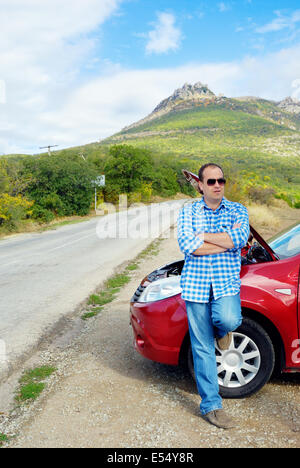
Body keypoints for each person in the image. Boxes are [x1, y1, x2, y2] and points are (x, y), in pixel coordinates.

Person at [177, 163, 250, 429]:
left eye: (221, 180)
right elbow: (188, 246)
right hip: (195, 286)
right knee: (202, 347)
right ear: (200, 185)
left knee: (228, 320)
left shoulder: (238, 210)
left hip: (225, 284)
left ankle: (222, 331)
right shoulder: (188, 211)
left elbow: (239, 239)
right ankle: (211, 405)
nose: (217, 185)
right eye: (211, 181)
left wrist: (204, 237)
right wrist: (223, 241)